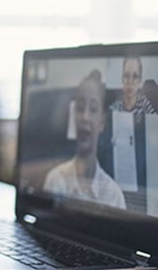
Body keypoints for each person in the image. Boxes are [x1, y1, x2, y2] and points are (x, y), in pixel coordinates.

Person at [44, 70, 126, 208]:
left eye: (93, 109)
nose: (85, 117)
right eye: (80, 108)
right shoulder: (55, 181)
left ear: (102, 122)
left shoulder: (114, 195)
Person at [110, 55, 156, 121]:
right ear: (122, 79)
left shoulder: (145, 105)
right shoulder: (114, 108)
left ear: (140, 80)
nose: (130, 81)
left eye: (135, 76)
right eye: (126, 75)